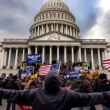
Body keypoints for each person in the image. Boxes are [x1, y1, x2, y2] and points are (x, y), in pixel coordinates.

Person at [0, 70, 110, 110]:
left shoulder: (34, 94)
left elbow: (12, 93)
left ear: (45, 81)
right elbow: (93, 97)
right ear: (58, 82)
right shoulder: (68, 95)